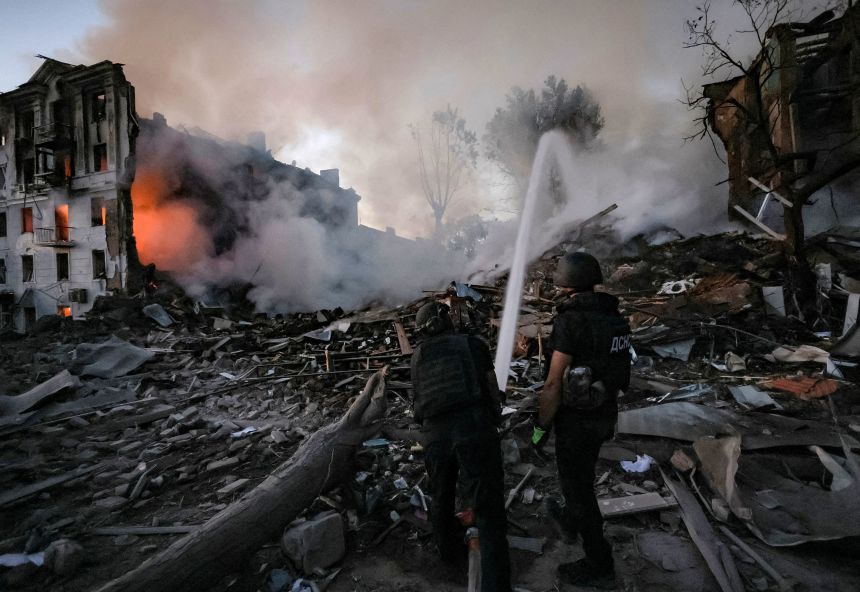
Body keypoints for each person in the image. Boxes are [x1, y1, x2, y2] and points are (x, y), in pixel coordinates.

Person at [531, 251, 631, 588]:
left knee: (579, 490)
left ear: (564, 284)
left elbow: (553, 383)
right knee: (582, 476)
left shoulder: (570, 321)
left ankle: (598, 561)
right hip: (605, 416)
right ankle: (571, 521)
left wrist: (538, 430)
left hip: (575, 423)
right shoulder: (615, 318)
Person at [410, 301, 511, 592]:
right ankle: (495, 584)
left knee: (441, 495)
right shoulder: (472, 344)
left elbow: (418, 405)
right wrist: (494, 417)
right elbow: (491, 387)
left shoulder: (418, 355)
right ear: (445, 320)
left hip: (436, 435)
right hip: (473, 429)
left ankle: (449, 554)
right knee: (488, 507)